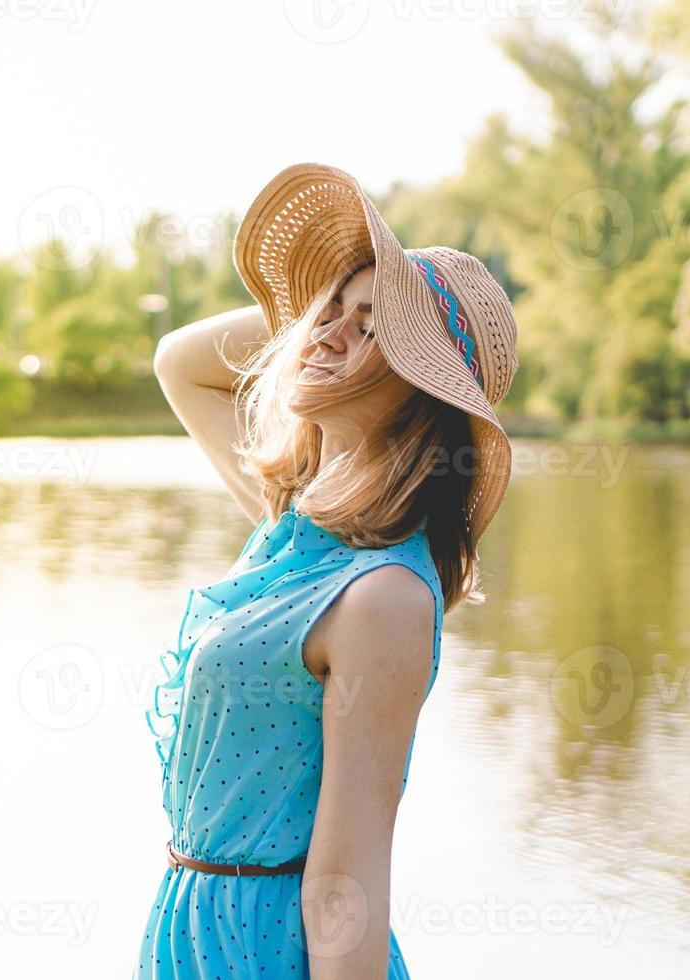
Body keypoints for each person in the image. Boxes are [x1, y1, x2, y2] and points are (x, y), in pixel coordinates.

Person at [136, 163, 520, 979]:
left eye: (373, 330)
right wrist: (342, 308)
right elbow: (181, 360)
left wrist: (397, 313)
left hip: (264, 951)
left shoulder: (382, 598)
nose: (325, 333)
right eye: (328, 312)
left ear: (423, 388)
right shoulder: (291, 525)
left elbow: (345, 887)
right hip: (187, 934)